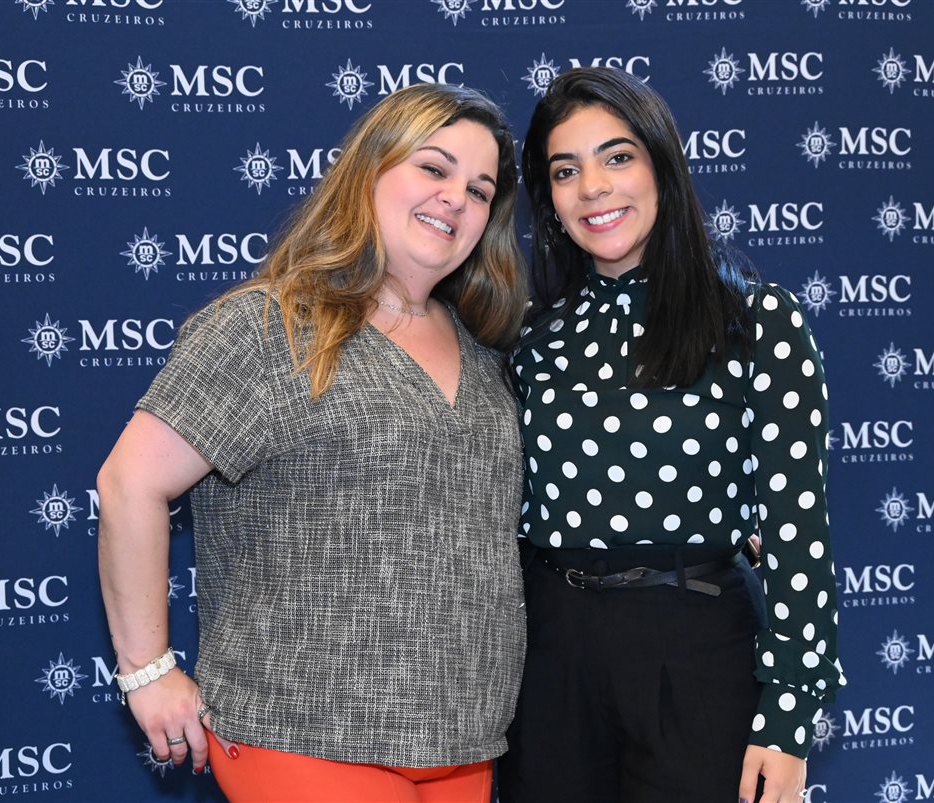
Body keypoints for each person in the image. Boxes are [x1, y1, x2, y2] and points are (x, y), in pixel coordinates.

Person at [97, 83, 528, 803]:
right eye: (434, 167)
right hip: (302, 729)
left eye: (479, 189)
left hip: (465, 738)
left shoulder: (486, 355)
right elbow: (130, 482)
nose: (457, 197)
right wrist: (147, 668)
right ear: (370, 170)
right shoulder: (271, 326)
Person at [497, 67, 845, 803]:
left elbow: (796, 532)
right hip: (552, 654)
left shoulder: (756, 320)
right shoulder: (532, 333)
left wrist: (788, 719)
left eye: (617, 157)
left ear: (662, 165)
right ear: (549, 200)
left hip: (697, 650)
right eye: (567, 170)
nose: (594, 187)